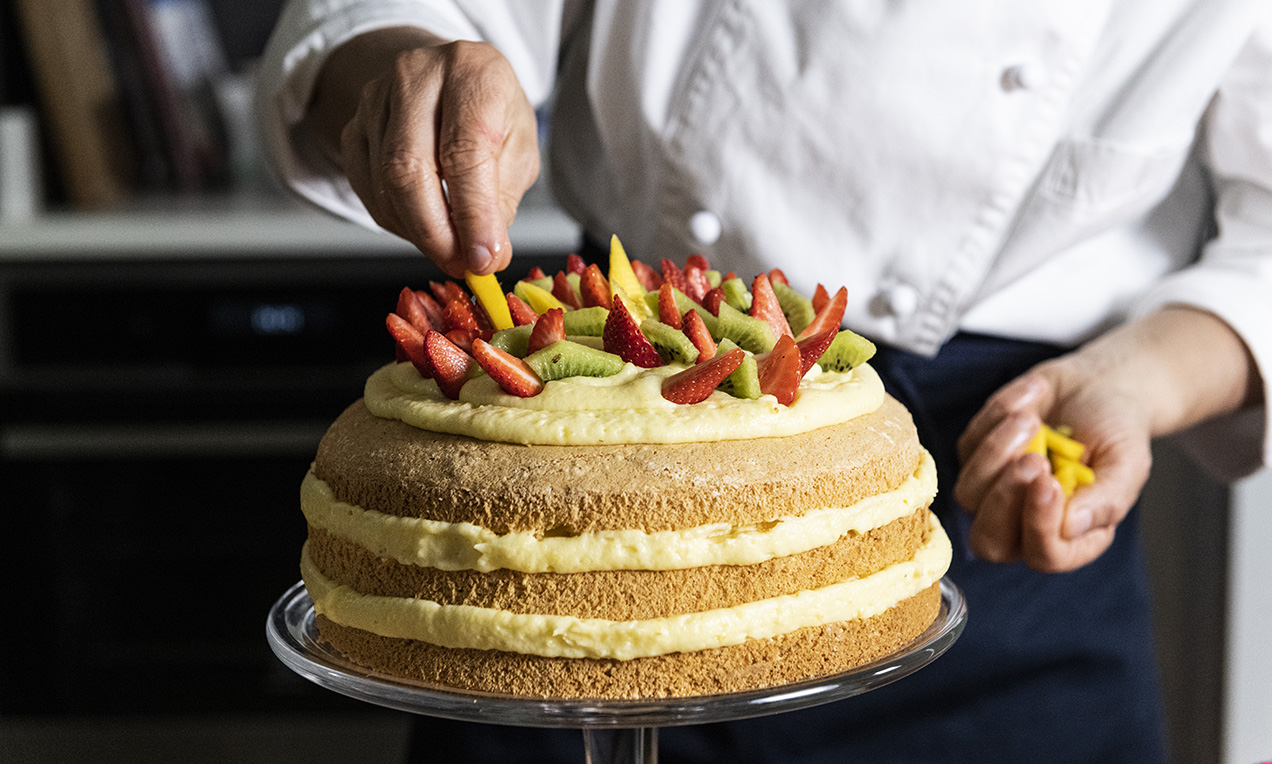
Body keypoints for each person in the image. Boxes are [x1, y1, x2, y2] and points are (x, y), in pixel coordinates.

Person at [256, 2, 1271, 762]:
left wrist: (1136, 380)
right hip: (578, 445)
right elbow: (393, 18)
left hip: (1005, 498)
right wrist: (409, 72)